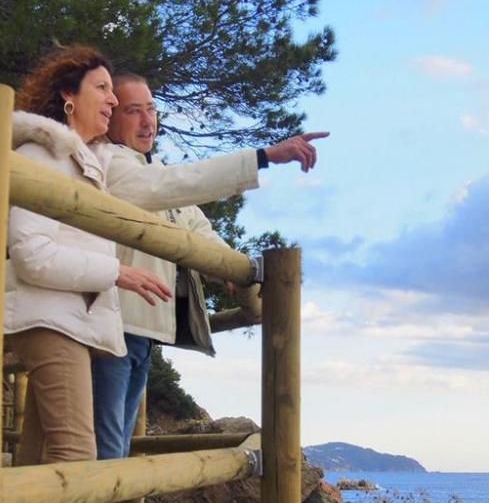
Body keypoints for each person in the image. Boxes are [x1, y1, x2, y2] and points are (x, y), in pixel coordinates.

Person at [92, 72, 328, 459]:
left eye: (151, 109)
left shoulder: (156, 169)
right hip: (110, 326)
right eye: (133, 111)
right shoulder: (110, 163)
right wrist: (264, 156)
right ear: (111, 117)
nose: (147, 121)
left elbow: (198, 229)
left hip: (140, 332)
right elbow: (167, 186)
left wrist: (237, 269)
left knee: (115, 449)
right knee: (105, 451)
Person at [6, 46, 173, 465]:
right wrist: (117, 272)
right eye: (102, 88)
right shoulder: (41, 155)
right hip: (48, 319)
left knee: (38, 455)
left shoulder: (82, 164)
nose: (113, 100)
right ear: (68, 95)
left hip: (65, 319)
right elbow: (31, 254)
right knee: (76, 456)